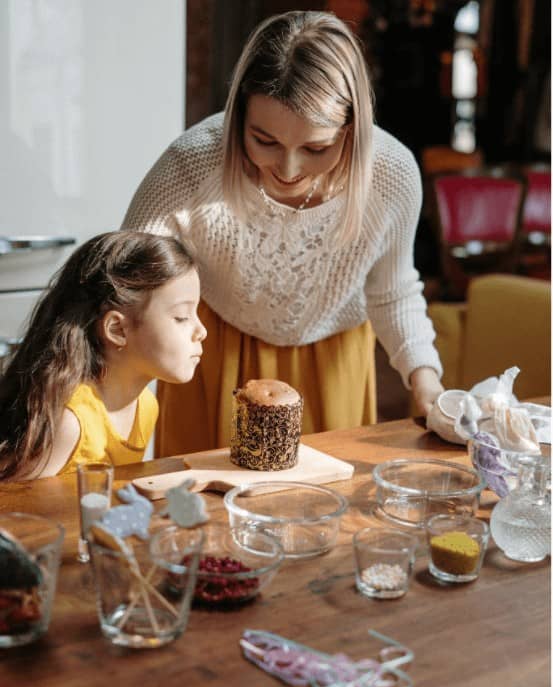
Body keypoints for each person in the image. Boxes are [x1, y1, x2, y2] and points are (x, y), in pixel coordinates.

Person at [123, 10, 444, 458]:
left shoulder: (391, 175)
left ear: (352, 130)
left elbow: (393, 292)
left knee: (325, 515)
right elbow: (125, 285)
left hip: (333, 365)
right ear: (238, 119)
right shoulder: (192, 164)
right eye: (264, 140)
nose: (289, 170)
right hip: (213, 359)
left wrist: (426, 379)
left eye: (316, 148)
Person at [0, 231, 206, 480]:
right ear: (117, 330)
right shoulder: (69, 425)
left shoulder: (145, 407)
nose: (201, 331)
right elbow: (12, 511)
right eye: (181, 317)